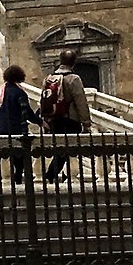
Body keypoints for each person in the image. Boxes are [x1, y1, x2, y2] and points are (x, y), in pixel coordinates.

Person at [41, 53, 92, 184]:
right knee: (66, 150)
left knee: (61, 149)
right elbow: (80, 101)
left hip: (54, 119)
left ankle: (63, 175)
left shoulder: (49, 78)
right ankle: (51, 175)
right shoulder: (74, 79)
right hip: (70, 120)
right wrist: (86, 122)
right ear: (73, 62)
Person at [0, 64, 35, 185]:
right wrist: (40, 121)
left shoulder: (0, 92)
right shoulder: (20, 93)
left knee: (5, 157)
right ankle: (17, 180)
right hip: (17, 130)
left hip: (2, 129)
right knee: (20, 159)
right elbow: (27, 113)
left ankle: (6, 181)